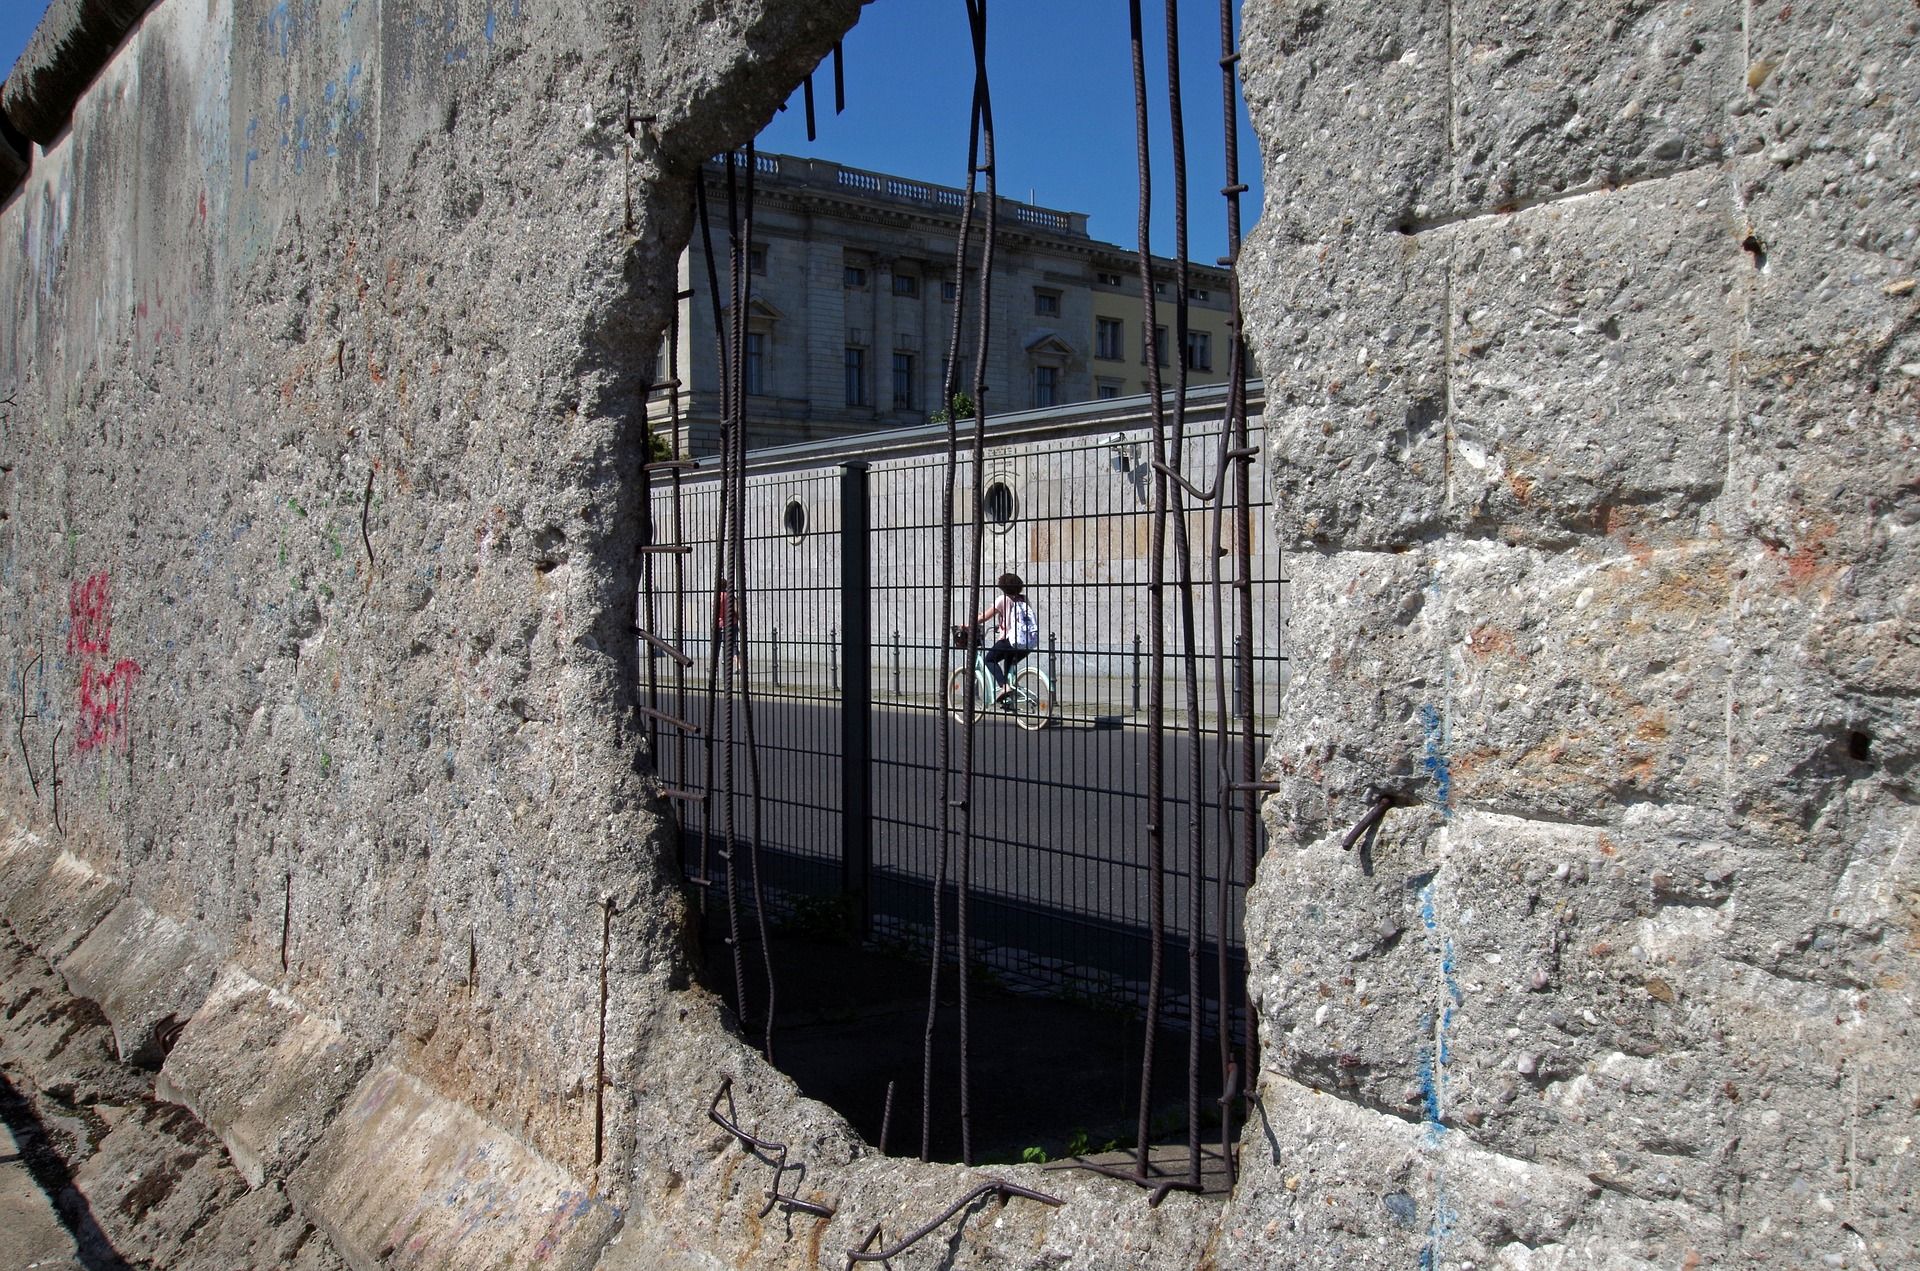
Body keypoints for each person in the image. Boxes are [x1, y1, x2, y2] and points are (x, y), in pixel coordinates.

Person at [974, 572, 1038, 704]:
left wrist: (968, 624)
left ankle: (1004, 687)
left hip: (1010, 640)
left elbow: (984, 617)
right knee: (1008, 668)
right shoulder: (1023, 599)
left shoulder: (1002, 599)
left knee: (989, 660)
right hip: (1026, 643)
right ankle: (1009, 699)